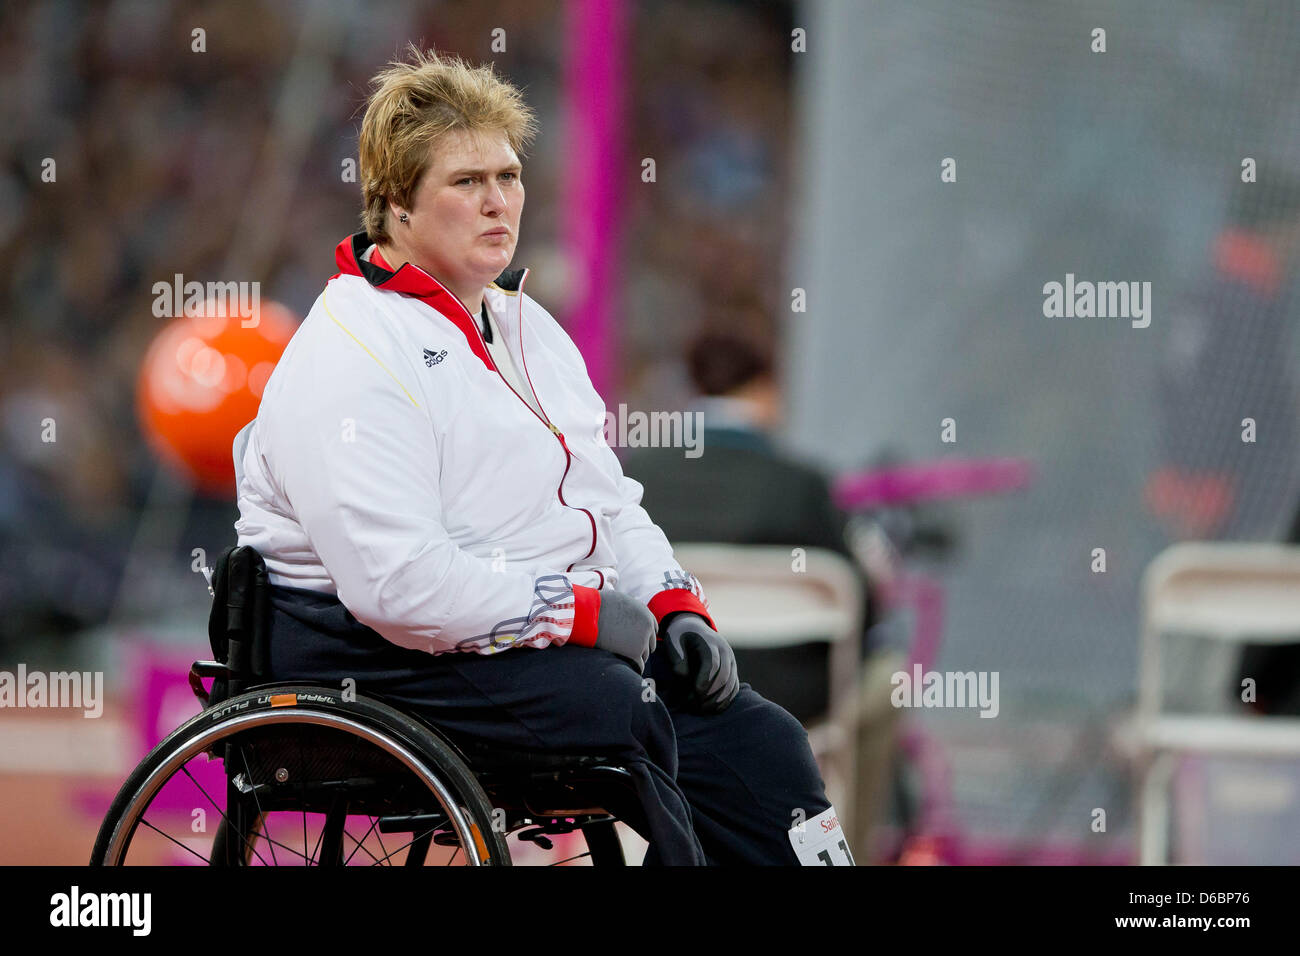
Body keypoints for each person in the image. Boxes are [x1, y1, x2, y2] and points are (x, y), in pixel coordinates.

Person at [232, 45, 847, 865]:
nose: (499, 204)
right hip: (378, 659)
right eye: (466, 182)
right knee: (624, 711)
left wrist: (672, 605)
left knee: (761, 739)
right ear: (395, 205)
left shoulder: (527, 326)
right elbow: (398, 586)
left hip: (514, 641)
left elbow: (606, 501)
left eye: (509, 177)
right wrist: (578, 614)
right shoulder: (348, 356)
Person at [624, 324, 880, 723]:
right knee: (889, 677)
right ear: (764, 388)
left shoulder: (638, 475)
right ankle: (838, 785)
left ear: (692, 386)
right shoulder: (804, 486)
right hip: (793, 698)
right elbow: (863, 605)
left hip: (664, 682)